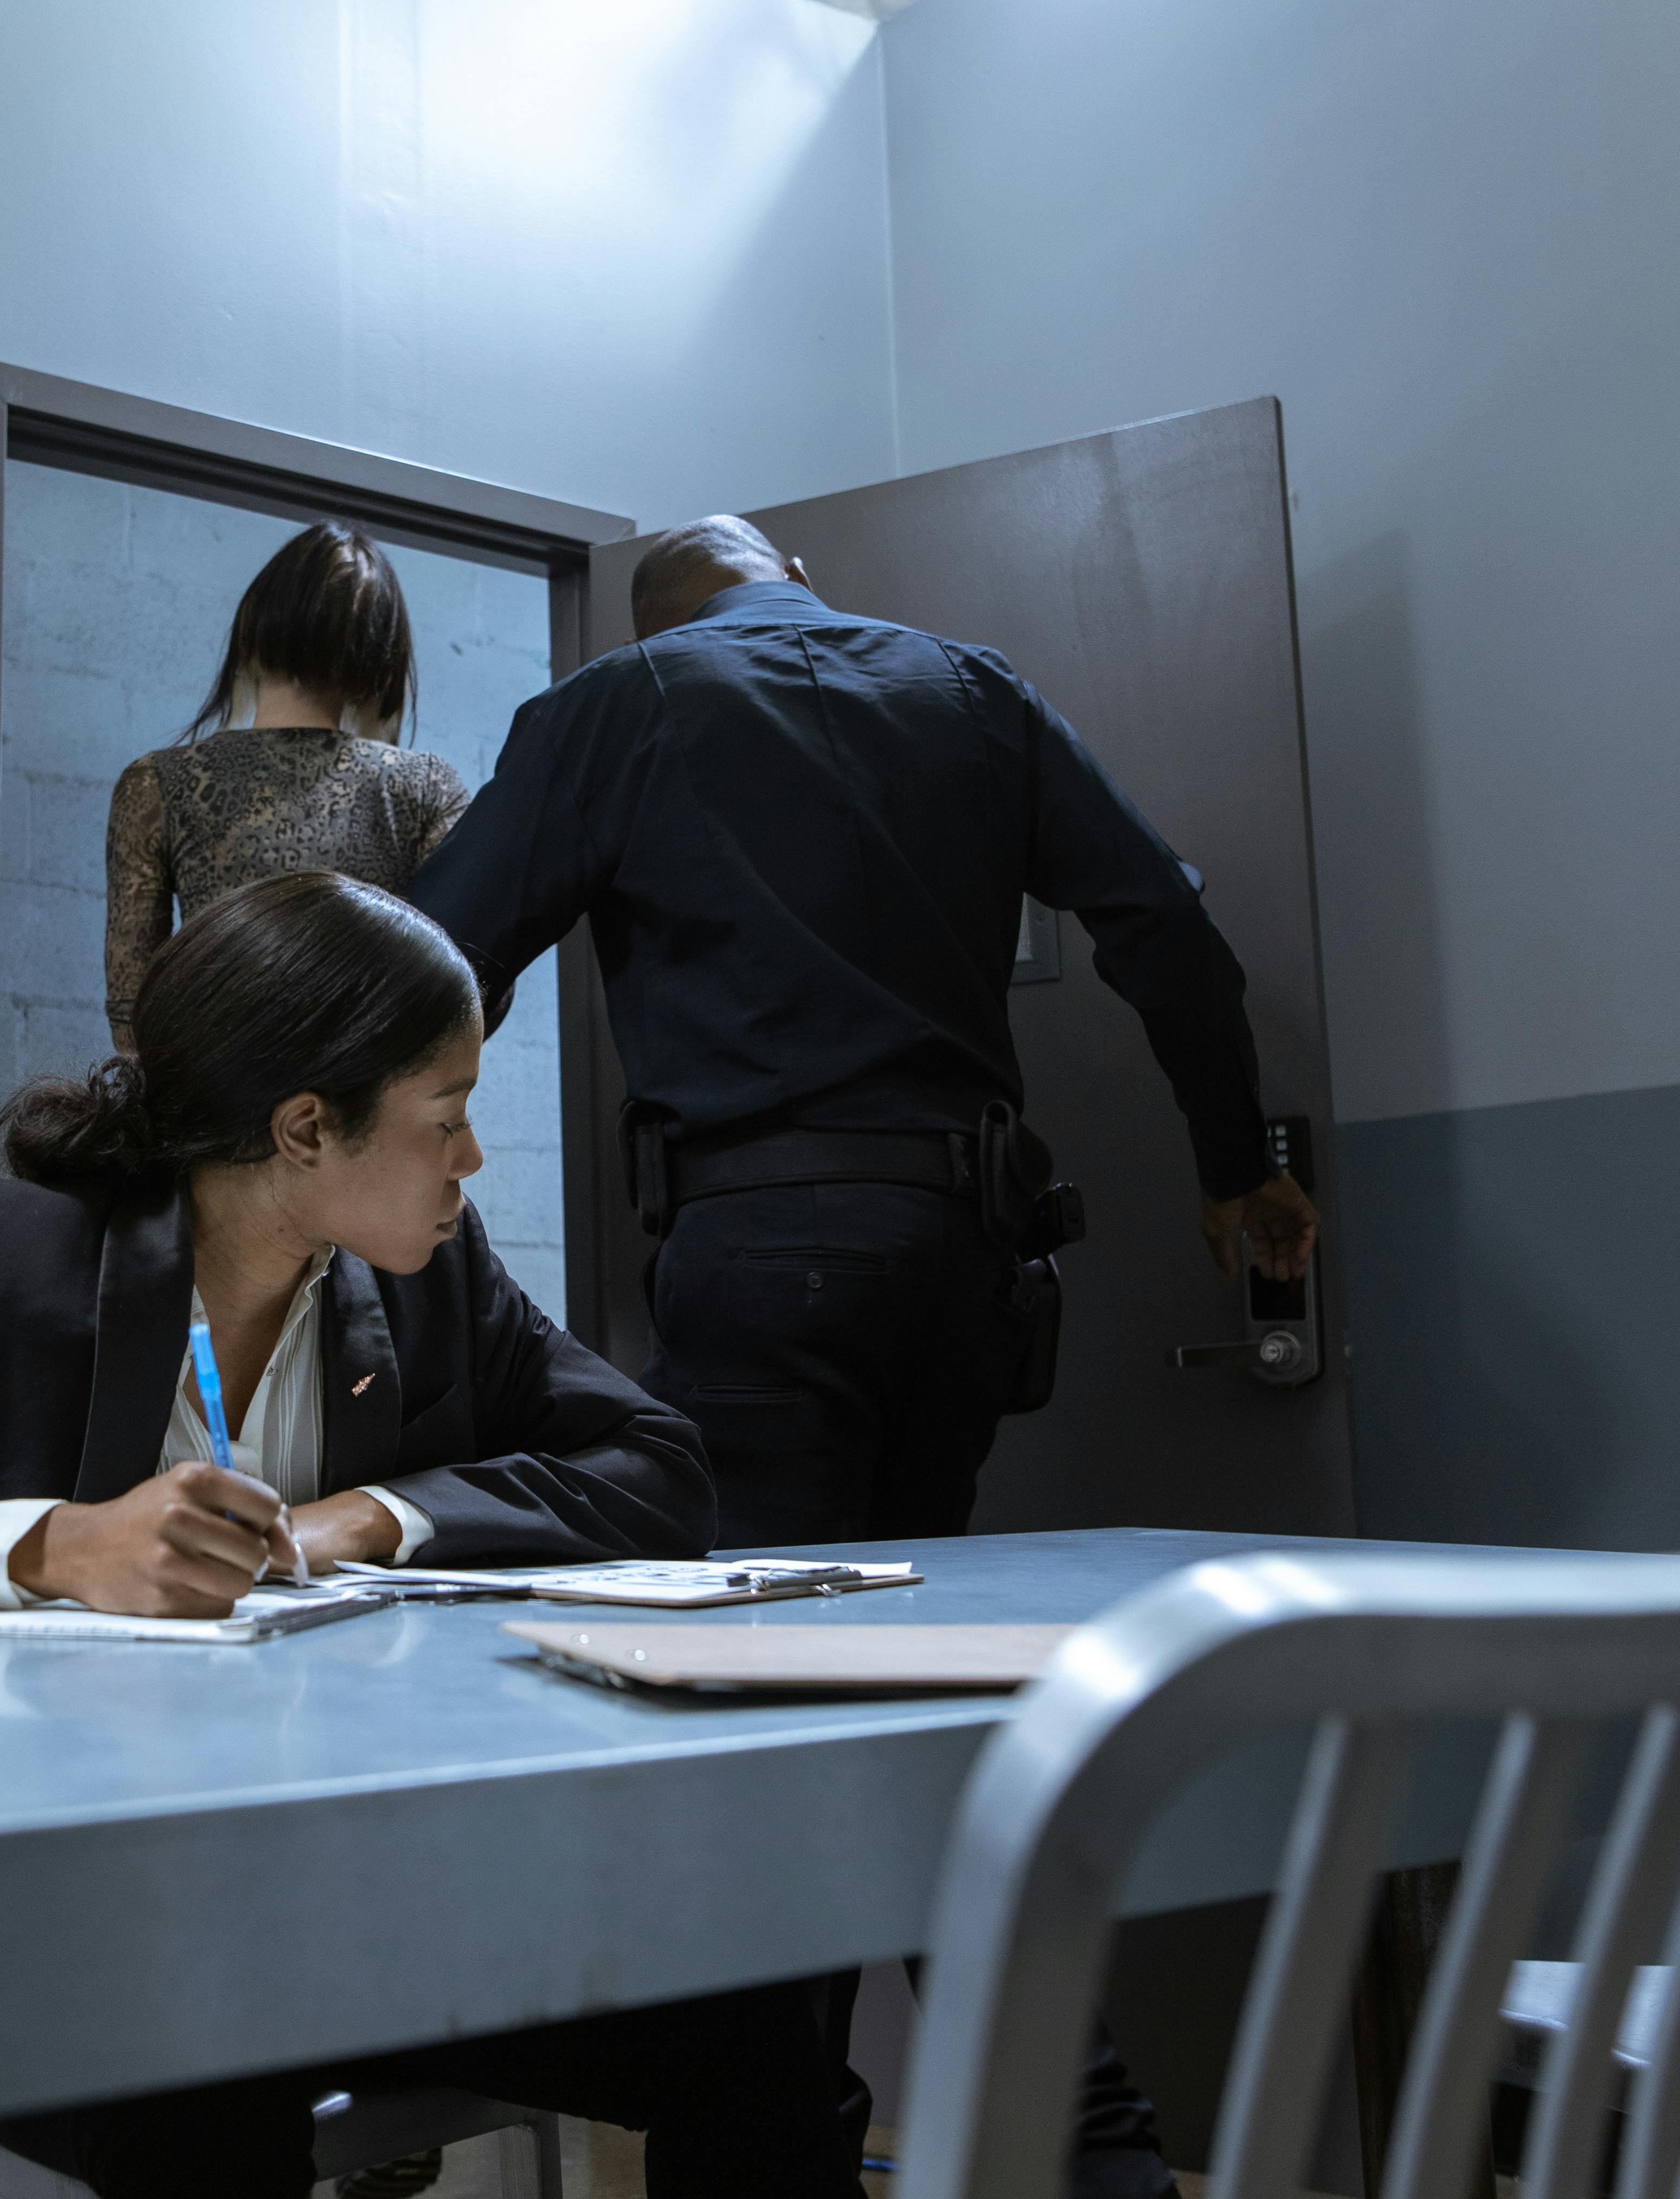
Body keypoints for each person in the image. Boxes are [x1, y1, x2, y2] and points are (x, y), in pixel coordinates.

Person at [0, 871, 866, 2198]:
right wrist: (59, 1545)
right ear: (304, 1126)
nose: (468, 1159)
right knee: (208, 2058)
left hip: (349, 1903)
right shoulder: (5, 1248)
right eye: (445, 1116)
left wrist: (376, 1516)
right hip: (69, 1917)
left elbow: (659, 1463)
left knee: (747, 2021)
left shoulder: (434, 1276)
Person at [408, 515, 1323, 2197]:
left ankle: (796, 2154)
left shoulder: (618, 704)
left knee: (766, 1752)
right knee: (895, 1719)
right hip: (961, 1276)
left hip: (762, 1272)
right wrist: (1231, 1163)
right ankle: (1089, 2146)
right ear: (797, 578)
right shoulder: (972, 691)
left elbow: (424, 962)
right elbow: (1166, 928)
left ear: (655, 611)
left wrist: (371, 1198)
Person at [102, 522, 469, 1054]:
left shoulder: (157, 785)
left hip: (217, 1100)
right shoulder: (424, 787)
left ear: (252, 627)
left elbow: (131, 1017)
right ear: (380, 656)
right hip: (371, 1102)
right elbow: (466, 985)